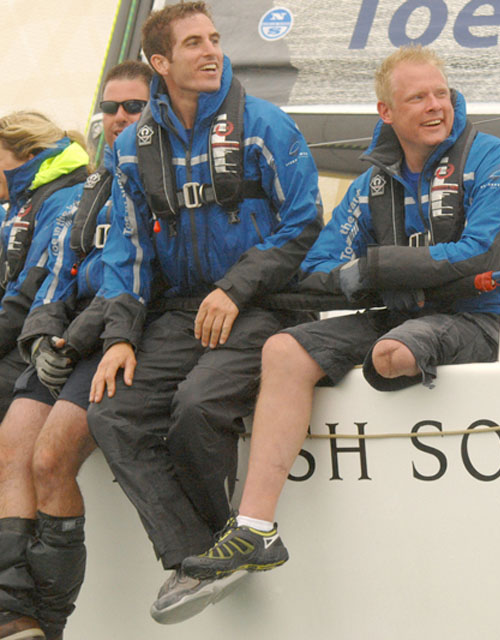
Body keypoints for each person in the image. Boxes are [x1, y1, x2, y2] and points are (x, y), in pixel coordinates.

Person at [178, 45, 500, 599]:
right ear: (386, 113)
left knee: (394, 355)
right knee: (283, 350)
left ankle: (437, 536)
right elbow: (318, 265)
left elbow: (488, 252)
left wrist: (378, 268)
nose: (435, 106)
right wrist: (378, 277)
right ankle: (254, 530)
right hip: (408, 314)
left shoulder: (495, 160)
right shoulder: (370, 185)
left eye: (441, 94)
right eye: (417, 98)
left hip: (497, 321)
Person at [83, 1, 321, 626]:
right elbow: (127, 247)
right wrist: (119, 336)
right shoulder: (132, 148)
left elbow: (304, 224)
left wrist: (238, 288)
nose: (211, 51)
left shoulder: (266, 126)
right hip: (180, 313)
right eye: (193, 43)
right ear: (161, 63)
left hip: (264, 306)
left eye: (214, 39)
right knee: (111, 413)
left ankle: (224, 550)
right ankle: (200, 557)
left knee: (196, 407)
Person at [0, 61, 152, 640]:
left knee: (48, 460)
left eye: (133, 107)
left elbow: (141, 275)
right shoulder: (94, 182)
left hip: (123, 337)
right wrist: (43, 335)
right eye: (110, 108)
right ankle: (13, 615)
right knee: (12, 449)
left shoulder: (153, 176)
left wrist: (77, 337)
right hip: (67, 337)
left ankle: (48, 623)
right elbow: (54, 275)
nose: (119, 118)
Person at [0, 113, 90, 423]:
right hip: (21, 330)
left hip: (44, 335)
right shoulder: (22, 200)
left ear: (29, 156)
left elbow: (28, 293)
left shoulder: (62, 196)